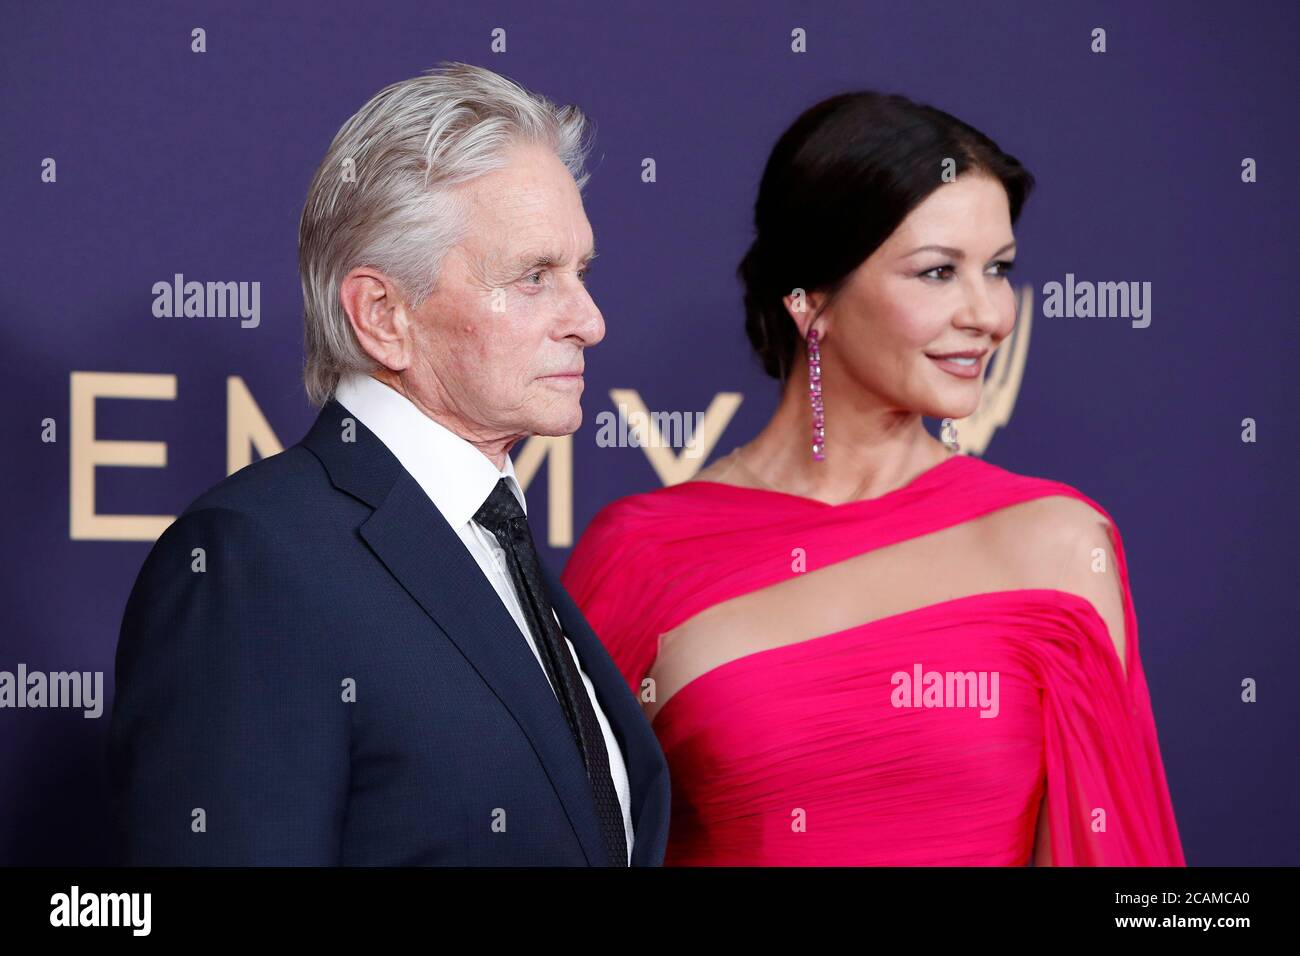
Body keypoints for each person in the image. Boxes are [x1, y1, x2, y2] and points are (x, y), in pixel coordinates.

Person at [562, 90, 1185, 866]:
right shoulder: (640, 552)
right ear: (810, 300)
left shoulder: (1058, 543)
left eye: (999, 270)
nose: (988, 313)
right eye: (937, 273)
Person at [109, 62, 669, 866]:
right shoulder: (254, 565)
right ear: (382, 315)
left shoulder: (493, 535)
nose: (590, 320)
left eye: (580, 273)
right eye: (535, 276)